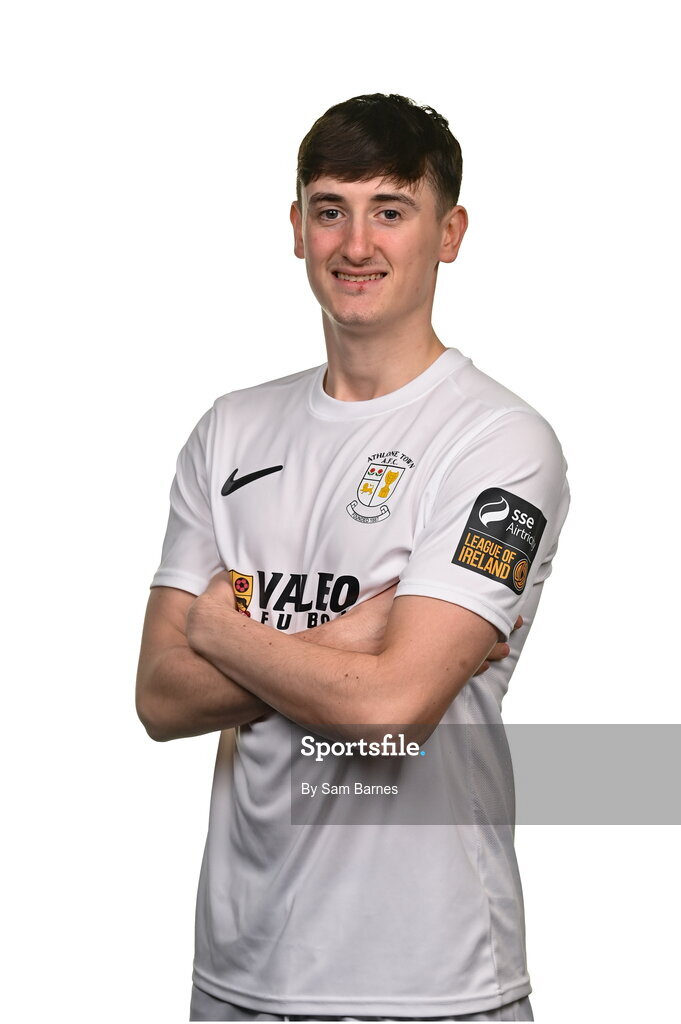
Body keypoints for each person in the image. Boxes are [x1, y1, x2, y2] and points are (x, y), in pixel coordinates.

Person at [136, 93, 570, 1022]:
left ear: (448, 233)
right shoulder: (231, 429)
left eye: (391, 209)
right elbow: (160, 698)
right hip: (237, 975)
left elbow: (388, 715)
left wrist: (219, 630)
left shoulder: (499, 443)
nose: (355, 244)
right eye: (330, 209)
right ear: (296, 230)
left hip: (431, 983)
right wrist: (354, 634)